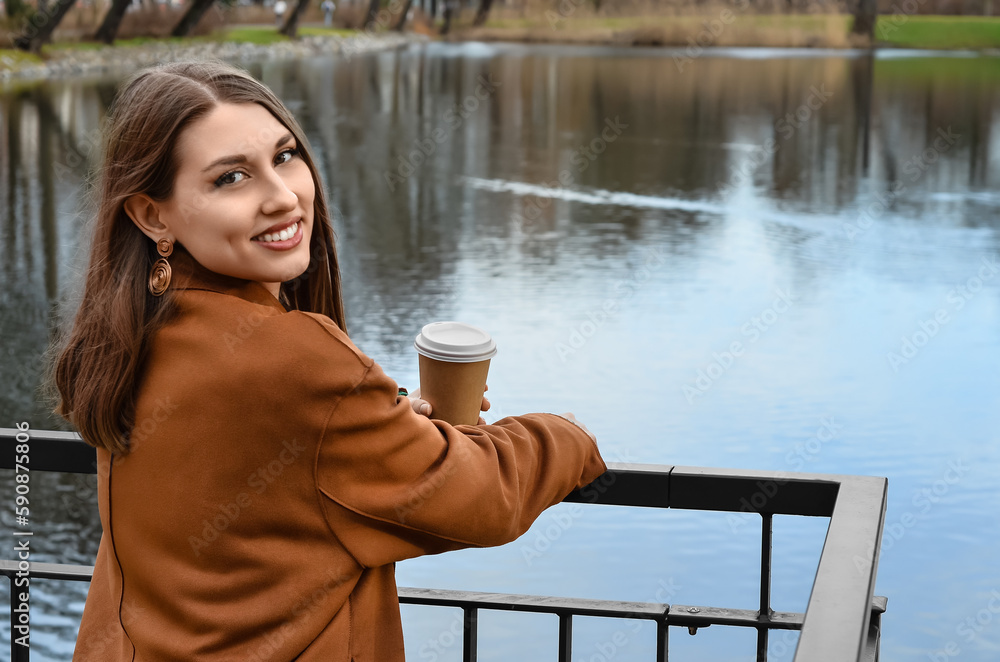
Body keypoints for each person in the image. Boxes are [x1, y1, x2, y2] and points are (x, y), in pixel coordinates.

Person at [54, 59, 606, 661]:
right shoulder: (296, 360)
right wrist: (567, 437)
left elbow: (249, 480)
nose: (282, 196)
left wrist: (379, 424)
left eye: (285, 156)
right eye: (231, 178)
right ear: (152, 214)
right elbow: (484, 498)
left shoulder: (128, 337)